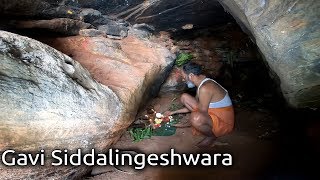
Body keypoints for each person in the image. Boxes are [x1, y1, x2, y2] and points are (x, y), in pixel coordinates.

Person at [165, 62, 234, 147]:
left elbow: (201, 112)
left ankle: (212, 136)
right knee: (184, 97)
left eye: (184, 77)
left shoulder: (205, 88)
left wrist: (184, 124)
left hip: (223, 121)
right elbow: (198, 106)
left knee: (196, 118)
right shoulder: (202, 81)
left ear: (191, 76)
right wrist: (173, 112)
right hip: (211, 111)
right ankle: (198, 125)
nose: (183, 79)